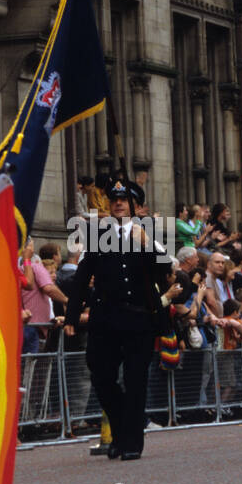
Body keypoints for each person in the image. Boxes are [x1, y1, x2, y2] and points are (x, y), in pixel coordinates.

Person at [65, 177, 168, 460]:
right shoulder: (97, 235)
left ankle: (131, 442)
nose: (119, 204)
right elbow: (82, 276)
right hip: (106, 318)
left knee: (136, 382)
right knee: (101, 377)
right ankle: (123, 430)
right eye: (115, 200)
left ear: (135, 205)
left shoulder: (149, 232)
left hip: (139, 319)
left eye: (124, 200)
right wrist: (71, 315)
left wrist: (147, 243)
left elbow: (165, 270)